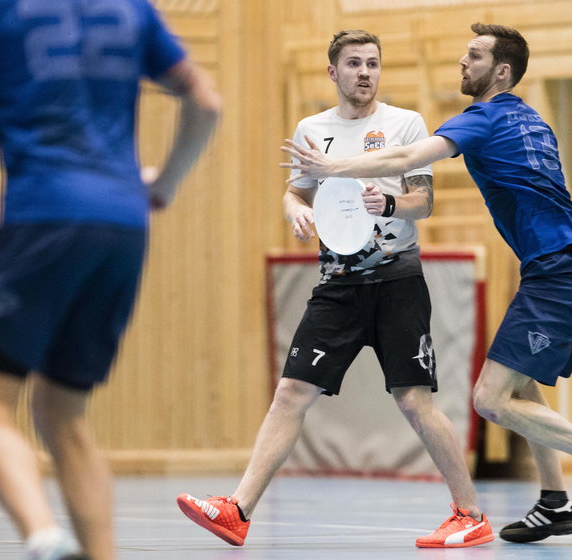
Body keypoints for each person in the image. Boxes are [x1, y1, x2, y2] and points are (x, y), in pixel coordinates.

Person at [282, 23, 572, 544]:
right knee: (523, 381)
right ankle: (554, 502)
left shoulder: (485, 115)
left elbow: (406, 159)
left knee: (490, 400)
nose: (461, 61)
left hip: (561, 267)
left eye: (473, 55)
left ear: (500, 72)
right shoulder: (529, 116)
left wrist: (332, 166)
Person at [177, 29, 493, 550]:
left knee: (413, 400)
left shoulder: (405, 124)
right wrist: (297, 210)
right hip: (337, 284)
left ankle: (469, 514)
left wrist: (387, 205)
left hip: (397, 282)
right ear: (333, 72)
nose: (365, 72)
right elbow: (295, 191)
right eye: (354, 64)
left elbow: (424, 203)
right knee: (291, 392)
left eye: (373, 63)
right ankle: (238, 510)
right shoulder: (311, 129)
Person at [0, 1, 222, 558]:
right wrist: (164, 184)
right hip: (123, 226)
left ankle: (45, 538)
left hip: (43, 216)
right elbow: (206, 101)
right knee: (63, 413)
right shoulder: (128, 6)